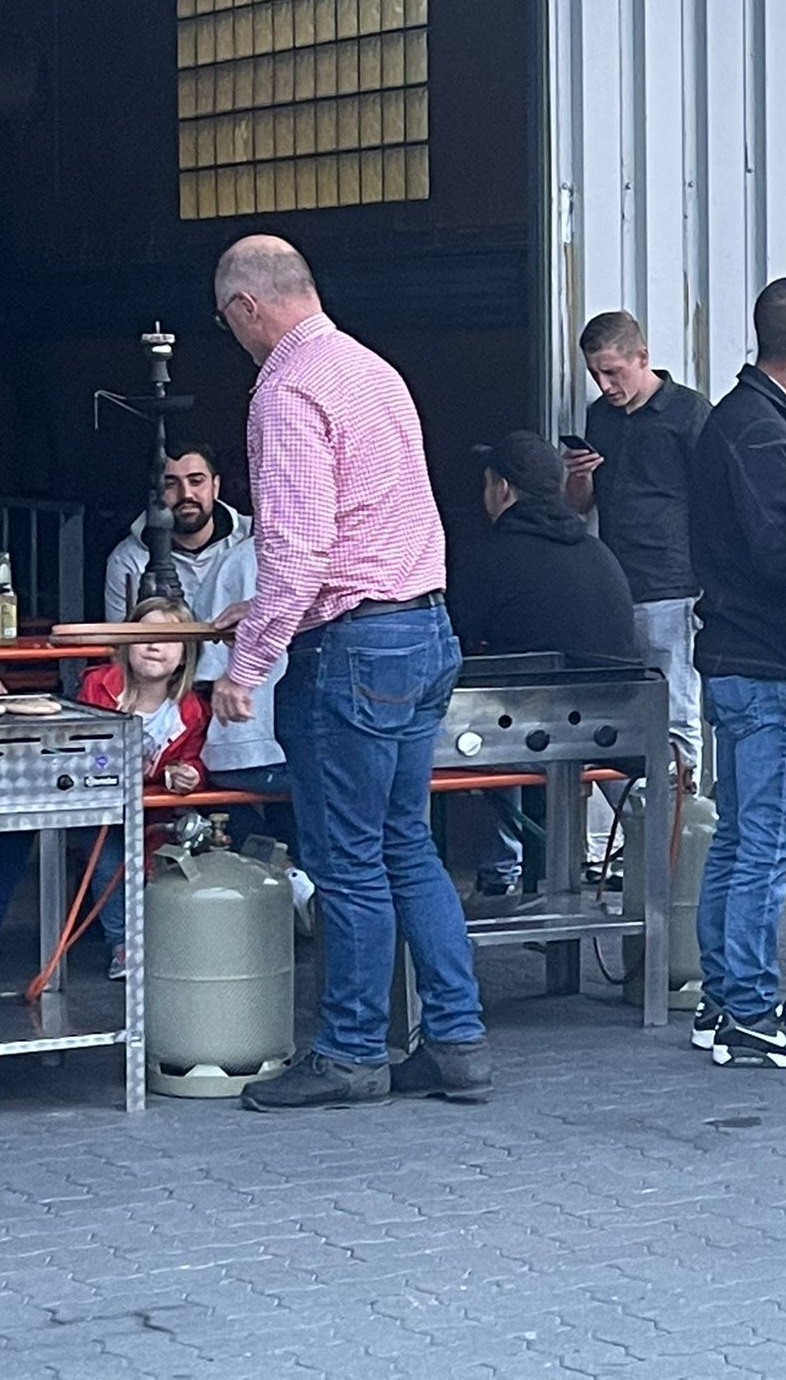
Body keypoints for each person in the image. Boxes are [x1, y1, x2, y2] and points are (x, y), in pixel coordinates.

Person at [208, 234, 489, 1112]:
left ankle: (352, 1052)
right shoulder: (372, 370)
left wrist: (247, 664)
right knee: (407, 845)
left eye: (227, 322)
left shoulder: (286, 387)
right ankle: (457, 1041)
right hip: (423, 625)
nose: (234, 338)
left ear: (247, 307)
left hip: (352, 647)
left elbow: (299, 551)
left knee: (348, 861)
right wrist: (264, 611)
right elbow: (375, 521)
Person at [687, 276, 786, 1069]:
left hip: (743, 655)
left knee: (739, 838)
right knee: (766, 846)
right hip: (769, 659)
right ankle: (749, 1008)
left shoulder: (748, 421)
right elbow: (784, 553)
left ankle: (724, 1001)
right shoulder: (760, 431)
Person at [446, 431, 637, 896]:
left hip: (525, 735)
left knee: (478, 718)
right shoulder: (601, 555)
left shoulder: (489, 558)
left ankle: (498, 874)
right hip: (610, 733)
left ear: (503, 489)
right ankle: (636, 853)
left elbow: (453, 640)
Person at [564, 312, 714, 789]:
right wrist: (580, 474)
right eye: (595, 374)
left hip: (674, 582)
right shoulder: (599, 417)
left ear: (642, 357)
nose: (605, 385)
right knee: (619, 712)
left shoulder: (688, 412)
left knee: (676, 711)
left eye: (613, 372)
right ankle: (638, 819)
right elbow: (579, 506)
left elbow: (716, 497)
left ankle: (678, 819)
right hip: (614, 584)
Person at [104, 443, 289, 804]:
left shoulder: (252, 546)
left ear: (216, 486)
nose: (185, 494)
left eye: (196, 480)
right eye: (171, 483)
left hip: (249, 714)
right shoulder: (128, 558)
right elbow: (121, 649)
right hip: (174, 706)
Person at [77, 598, 210, 980]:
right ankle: (123, 945)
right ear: (125, 642)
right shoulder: (97, 685)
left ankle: (169, 943)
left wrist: (189, 774)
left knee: (165, 866)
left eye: (169, 639)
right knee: (108, 862)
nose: (154, 645)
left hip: (156, 812)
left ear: (185, 656)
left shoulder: (191, 709)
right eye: (144, 634)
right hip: (102, 805)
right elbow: (80, 746)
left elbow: (194, 757)